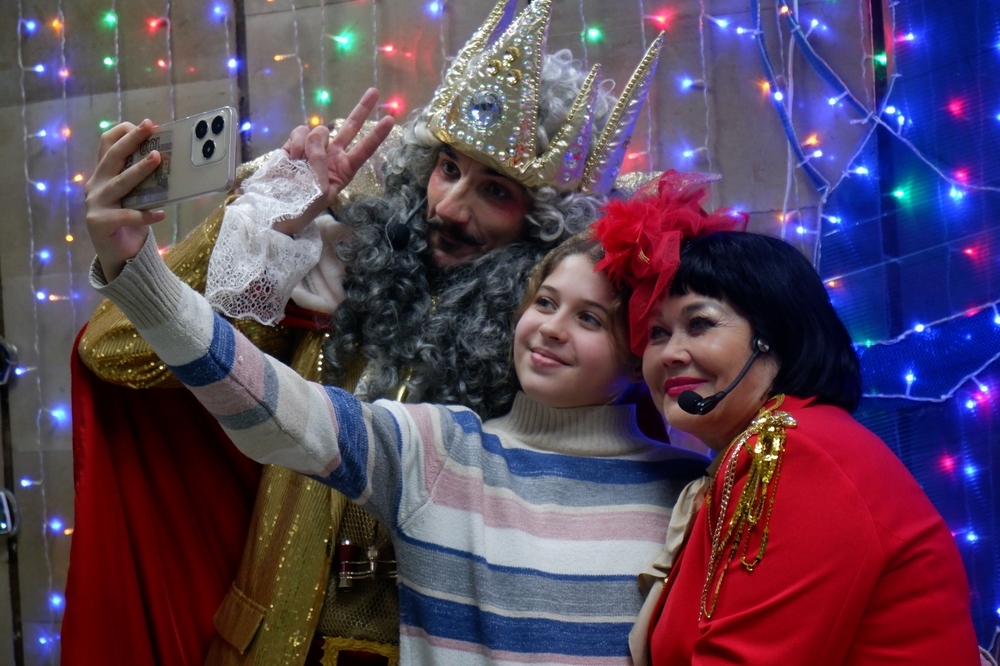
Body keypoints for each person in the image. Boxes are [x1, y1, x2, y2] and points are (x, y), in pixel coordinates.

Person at [68, 0, 671, 662]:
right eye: (448, 169)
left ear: (547, 222)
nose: (449, 207)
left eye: (495, 191)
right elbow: (115, 356)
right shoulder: (331, 269)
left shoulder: (556, 358)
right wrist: (267, 225)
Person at [588, 173, 982, 664]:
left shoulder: (793, 449)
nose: (669, 353)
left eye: (700, 323)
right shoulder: (763, 450)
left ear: (774, 335)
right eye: (657, 334)